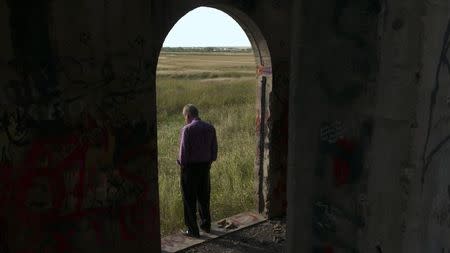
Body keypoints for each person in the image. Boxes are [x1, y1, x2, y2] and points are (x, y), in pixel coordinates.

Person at [177, 104, 218, 238]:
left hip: (190, 169)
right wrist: (208, 162)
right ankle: (206, 225)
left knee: (189, 199)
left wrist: (181, 165)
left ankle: (192, 230)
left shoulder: (187, 129)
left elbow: (183, 154)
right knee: (204, 197)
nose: (185, 119)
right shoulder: (210, 128)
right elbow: (214, 152)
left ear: (188, 115)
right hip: (205, 167)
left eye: (185, 117)